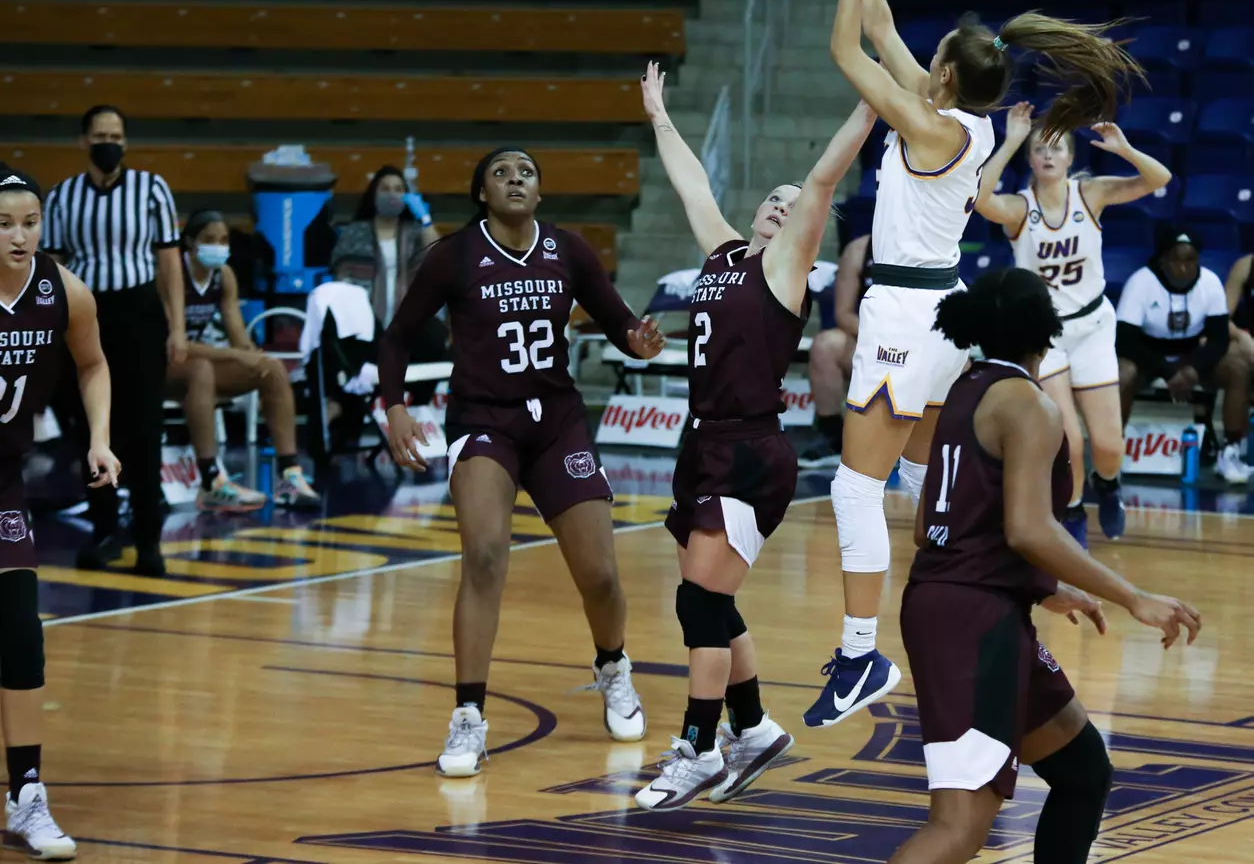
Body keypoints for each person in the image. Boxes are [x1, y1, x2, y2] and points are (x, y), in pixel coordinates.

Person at [806, 0, 1147, 730]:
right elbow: (879, 29)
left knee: (856, 490)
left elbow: (848, 52)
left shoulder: (929, 124)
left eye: (934, 65)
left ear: (946, 78)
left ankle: (858, 656)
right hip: (942, 314)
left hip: (904, 316)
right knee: (926, 476)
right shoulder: (975, 119)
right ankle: (993, 595)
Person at [890, 266, 1200, 864]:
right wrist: (1134, 597)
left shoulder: (965, 385)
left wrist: (1042, 585)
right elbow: (1029, 528)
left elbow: (940, 510)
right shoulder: (1031, 405)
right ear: (1046, 329)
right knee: (959, 826)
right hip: (974, 620)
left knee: (1082, 769)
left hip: (968, 600)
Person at [632, 65, 877, 810]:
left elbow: (824, 176)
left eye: (791, 205)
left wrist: (874, 103)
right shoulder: (723, 254)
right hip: (697, 442)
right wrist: (658, 114)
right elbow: (692, 186)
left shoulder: (786, 269)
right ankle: (753, 727)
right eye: (772, 200)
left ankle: (699, 748)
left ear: (804, 229)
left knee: (701, 606)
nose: (780, 207)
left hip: (747, 450)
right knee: (708, 599)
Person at [378, 147, 665, 777]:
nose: (515, 179)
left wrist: (640, 342)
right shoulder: (453, 256)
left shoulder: (569, 250)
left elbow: (620, 323)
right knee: (482, 556)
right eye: (502, 172)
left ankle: (613, 666)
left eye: (526, 173)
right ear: (481, 191)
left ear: (540, 192)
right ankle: (468, 718)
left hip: (558, 423)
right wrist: (395, 406)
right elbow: (397, 335)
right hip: (484, 423)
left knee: (600, 577)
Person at [974, 103, 1172, 545]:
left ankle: (1110, 483)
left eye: (1056, 148)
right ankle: (1073, 511)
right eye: (1039, 148)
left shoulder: (1092, 194)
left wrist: (1125, 149)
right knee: (1069, 444)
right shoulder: (1018, 209)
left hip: (1093, 328)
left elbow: (1160, 179)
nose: (1047, 155)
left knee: (1108, 447)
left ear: (1069, 158)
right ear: (1031, 159)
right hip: (1045, 337)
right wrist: (1009, 140)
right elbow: (979, 199)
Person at [0, 165, 121, 860]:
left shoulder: (63, 290)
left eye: (31, 222)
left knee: (20, 633)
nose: (21, 236)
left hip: (2, 482)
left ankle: (28, 795)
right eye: (5, 224)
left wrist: (99, 440)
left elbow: (93, 364)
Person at [43, 105, 186, 577]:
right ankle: (104, 534)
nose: (110, 143)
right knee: (90, 428)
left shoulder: (153, 189)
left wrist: (177, 326)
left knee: (145, 430)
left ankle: (148, 541)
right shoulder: (63, 198)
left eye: (117, 135)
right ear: (83, 141)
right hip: (84, 314)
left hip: (140, 315)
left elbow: (168, 263)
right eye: (101, 134)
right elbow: (55, 266)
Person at [165, 209, 319, 512]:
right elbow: (175, 346)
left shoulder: (224, 276)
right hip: (157, 364)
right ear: (190, 243)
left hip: (197, 365)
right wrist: (235, 355)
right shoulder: (171, 274)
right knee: (201, 369)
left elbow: (238, 335)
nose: (218, 246)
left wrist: (253, 356)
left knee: (272, 369)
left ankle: (289, 475)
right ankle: (211, 481)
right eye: (209, 239)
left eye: (223, 240)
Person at [1116, 231, 1251, 484]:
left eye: (1190, 260)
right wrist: (1168, 372)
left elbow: (1219, 339)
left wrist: (1192, 370)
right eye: (1176, 260)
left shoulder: (1209, 282)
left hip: (1192, 355)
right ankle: (1113, 450)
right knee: (1122, 372)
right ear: (1163, 260)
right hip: (1148, 357)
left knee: (1238, 365)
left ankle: (1230, 451)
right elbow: (1125, 341)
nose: (1183, 267)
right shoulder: (1141, 282)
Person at [329, 165, 439, 328]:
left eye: (398, 189)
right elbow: (342, 274)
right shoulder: (356, 232)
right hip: (362, 318)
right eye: (385, 189)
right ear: (374, 195)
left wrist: (425, 219)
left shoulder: (414, 233)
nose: (392, 194)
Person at [797, 232, 872, 468]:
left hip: (918, 345)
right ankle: (831, 436)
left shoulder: (932, 244)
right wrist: (881, 338)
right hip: (873, 341)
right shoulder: (860, 249)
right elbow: (844, 314)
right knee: (825, 345)